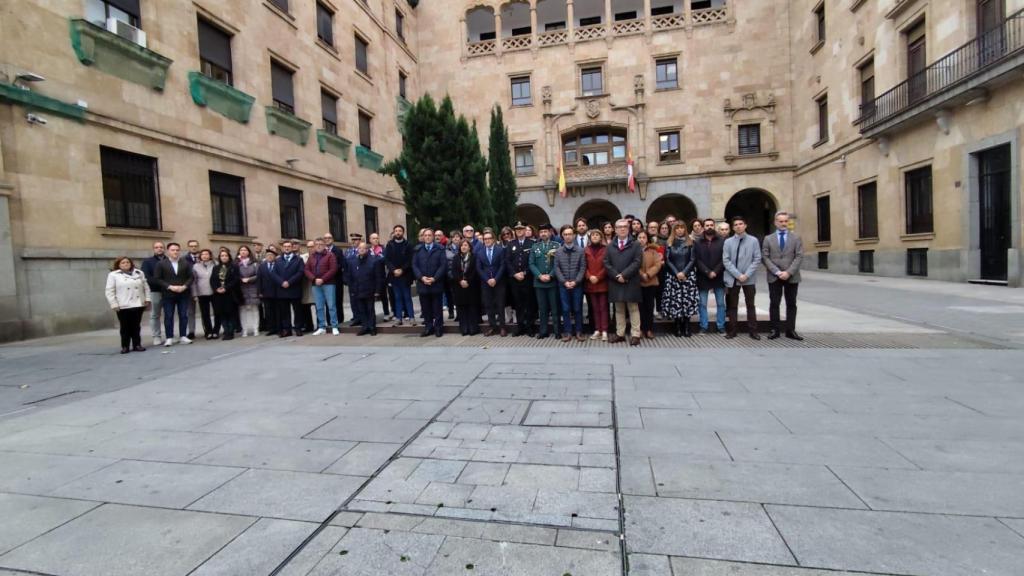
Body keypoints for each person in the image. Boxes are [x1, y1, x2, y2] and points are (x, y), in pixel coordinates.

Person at [763, 211, 804, 340]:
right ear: (775, 222)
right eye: (781, 221)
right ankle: (775, 329)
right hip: (774, 276)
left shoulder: (796, 238)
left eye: (786, 221)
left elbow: (799, 256)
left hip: (791, 276)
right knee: (774, 303)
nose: (783, 223)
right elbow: (765, 257)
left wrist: (788, 272)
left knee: (791, 303)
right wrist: (777, 271)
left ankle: (790, 330)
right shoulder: (768, 238)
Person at [722, 215, 762, 340]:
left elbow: (757, 259)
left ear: (745, 225)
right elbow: (726, 260)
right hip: (733, 278)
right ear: (733, 228)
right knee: (732, 306)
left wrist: (746, 275)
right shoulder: (728, 242)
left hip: (749, 279)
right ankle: (732, 330)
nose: (738, 226)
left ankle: (753, 330)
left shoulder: (753, 241)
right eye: (735, 225)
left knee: (750, 305)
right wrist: (738, 275)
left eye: (740, 224)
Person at [605, 219, 643, 345]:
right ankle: (620, 333)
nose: (622, 229)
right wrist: (617, 276)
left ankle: (635, 334)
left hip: (631, 280)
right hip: (616, 281)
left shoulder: (636, 244)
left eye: (625, 227)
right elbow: (606, 263)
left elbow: (637, 262)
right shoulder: (610, 245)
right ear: (615, 229)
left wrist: (625, 275)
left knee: (633, 308)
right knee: (618, 309)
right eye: (619, 227)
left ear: (628, 229)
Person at [105, 256, 150, 353]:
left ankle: (137, 344)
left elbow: (145, 287)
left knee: (136, 325)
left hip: (138, 303)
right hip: (123, 304)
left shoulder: (139, 273)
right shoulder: (113, 275)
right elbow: (110, 291)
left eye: (127, 262)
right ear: (118, 265)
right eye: (123, 263)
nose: (126, 264)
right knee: (125, 326)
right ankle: (125, 346)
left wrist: (147, 298)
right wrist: (114, 304)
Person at [153, 242, 193, 346]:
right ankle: (169, 337)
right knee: (169, 316)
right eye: (172, 250)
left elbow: (191, 277)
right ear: (168, 251)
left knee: (183, 315)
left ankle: (183, 336)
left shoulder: (185, 263)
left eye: (177, 250)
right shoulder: (161, 264)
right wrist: (170, 287)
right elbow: (157, 278)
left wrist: (184, 286)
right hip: (168, 294)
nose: (175, 252)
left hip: (183, 293)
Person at [663, 222, 699, 337]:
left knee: (687, 301)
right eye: (677, 228)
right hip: (673, 276)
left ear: (685, 229)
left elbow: (693, 259)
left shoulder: (691, 242)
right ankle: (677, 326)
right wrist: (676, 273)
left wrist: (684, 272)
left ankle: (687, 326)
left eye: (682, 228)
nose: (679, 230)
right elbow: (667, 260)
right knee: (676, 302)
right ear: (674, 230)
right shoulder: (669, 243)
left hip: (688, 276)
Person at [554, 225, 587, 342]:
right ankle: (567, 332)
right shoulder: (558, 252)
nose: (568, 236)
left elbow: (583, 267)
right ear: (562, 236)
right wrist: (564, 282)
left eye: (570, 234)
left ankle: (579, 331)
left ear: (573, 235)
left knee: (578, 308)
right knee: (565, 309)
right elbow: (556, 268)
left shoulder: (580, 250)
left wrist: (576, 281)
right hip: (563, 285)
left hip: (577, 285)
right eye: (565, 234)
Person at [695, 218, 726, 334]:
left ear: (714, 226)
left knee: (720, 303)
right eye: (707, 225)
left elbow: (724, 259)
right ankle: (703, 325)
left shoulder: (722, 241)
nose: (709, 227)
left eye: (711, 225)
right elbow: (697, 260)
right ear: (703, 227)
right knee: (702, 304)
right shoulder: (698, 242)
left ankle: (721, 326)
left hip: (718, 276)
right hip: (703, 276)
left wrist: (715, 271)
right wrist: (707, 272)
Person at [413, 229, 446, 337]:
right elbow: (415, 265)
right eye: (425, 235)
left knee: (437, 308)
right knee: (426, 308)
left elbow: (443, 265)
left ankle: (438, 328)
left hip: (436, 283)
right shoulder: (418, 250)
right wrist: (422, 277)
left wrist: (434, 278)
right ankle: (428, 327)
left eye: (429, 235)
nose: (427, 237)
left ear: (433, 237)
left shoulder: (440, 249)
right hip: (423, 284)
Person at [346, 242, 384, 336]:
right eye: (360, 248)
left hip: (369, 290)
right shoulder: (353, 262)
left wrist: (377, 291)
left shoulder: (374, 261)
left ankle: (372, 327)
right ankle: (364, 327)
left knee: (370, 309)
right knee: (361, 310)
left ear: (367, 250)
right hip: (357, 290)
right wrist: (352, 288)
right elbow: (349, 276)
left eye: (363, 248)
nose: (361, 250)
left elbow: (378, 277)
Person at [529, 225, 560, 340]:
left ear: (550, 232)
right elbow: (531, 264)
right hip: (539, 282)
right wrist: (539, 275)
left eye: (545, 231)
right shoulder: (535, 246)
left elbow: (558, 263)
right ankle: (543, 331)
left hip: (552, 282)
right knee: (542, 308)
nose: (543, 234)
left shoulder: (556, 246)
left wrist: (551, 275)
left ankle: (557, 331)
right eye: (541, 231)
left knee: (555, 307)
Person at [305, 237, 340, 335]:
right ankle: (321, 326)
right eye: (317, 244)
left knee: (331, 305)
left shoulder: (330, 255)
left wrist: (323, 279)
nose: (319, 246)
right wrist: (314, 279)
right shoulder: (311, 257)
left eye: (321, 244)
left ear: (324, 245)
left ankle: (334, 326)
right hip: (315, 284)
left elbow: (333, 269)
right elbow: (306, 269)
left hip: (328, 284)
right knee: (319, 306)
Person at [476, 229, 508, 337]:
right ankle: (492, 327)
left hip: (499, 282)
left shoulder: (500, 251)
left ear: (493, 239)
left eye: (489, 238)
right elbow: (479, 268)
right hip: (486, 283)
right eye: (485, 239)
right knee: (488, 305)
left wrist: (495, 279)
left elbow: (503, 266)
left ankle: (502, 327)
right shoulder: (479, 253)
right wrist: (487, 279)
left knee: (500, 305)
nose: (487, 240)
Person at [507, 222, 535, 337]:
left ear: (525, 230)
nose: (519, 231)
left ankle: (529, 327)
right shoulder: (511, 244)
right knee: (518, 304)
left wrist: (524, 272)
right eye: (517, 229)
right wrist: (514, 274)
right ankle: (520, 327)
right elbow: (507, 261)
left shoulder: (532, 243)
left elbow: (533, 261)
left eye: (521, 229)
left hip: (527, 278)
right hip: (515, 280)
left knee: (529, 304)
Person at [384, 225, 416, 326]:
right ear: (394, 232)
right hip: (394, 276)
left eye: (400, 231)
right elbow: (387, 259)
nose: (398, 233)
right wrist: (394, 270)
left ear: (403, 232)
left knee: (407, 297)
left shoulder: (408, 245)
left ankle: (411, 317)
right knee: (397, 297)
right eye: (396, 231)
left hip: (405, 275)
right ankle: (398, 318)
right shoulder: (390, 244)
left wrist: (402, 269)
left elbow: (410, 259)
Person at [274, 240, 306, 337]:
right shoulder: (278, 260)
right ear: (282, 248)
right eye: (285, 246)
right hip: (282, 289)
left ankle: (298, 328)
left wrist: (289, 282)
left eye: (289, 246)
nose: (287, 248)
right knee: (284, 311)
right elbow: (274, 273)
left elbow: (300, 272)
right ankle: (287, 329)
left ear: (292, 248)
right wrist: (282, 282)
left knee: (297, 310)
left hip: (294, 288)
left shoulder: (298, 259)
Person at [449, 239, 480, 335]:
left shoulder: (474, 257)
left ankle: (472, 328)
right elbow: (453, 271)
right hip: (459, 287)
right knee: (461, 308)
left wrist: (467, 281)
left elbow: (475, 271)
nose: (463, 247)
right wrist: (460, 280)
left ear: (469, 247)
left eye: (466, 245)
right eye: (462, 245)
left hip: (471, 286)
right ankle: (464, 328)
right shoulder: (456, 258)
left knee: (471, 308)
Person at [637, 231, 664, 339]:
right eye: (639, 237)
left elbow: (658, 264)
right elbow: (632, 264)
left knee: (649, 307)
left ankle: (649, 329)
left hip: (651, 281)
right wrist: (641, 274)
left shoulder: (653, 250)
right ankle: (641, 329)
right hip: (638, 282)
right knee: (640, 308)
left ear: (647, 239)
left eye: (644, 237)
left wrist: (648, 274)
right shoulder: (634, 250)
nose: (642, 239)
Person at [584, 229, 609, 341]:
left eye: (597, 235)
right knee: (594, 308)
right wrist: (589, 276)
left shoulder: (606, 249)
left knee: (603, 307)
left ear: (601, 237)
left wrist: (598, 277)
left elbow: (607, 265)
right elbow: (583, 266)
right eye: (592, 235)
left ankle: (604, 330)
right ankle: (597, 330)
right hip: (590, 283)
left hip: (602, 282)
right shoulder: (586, 250)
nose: (594, 237)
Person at [209, 248, 240, 340]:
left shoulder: (234, 267)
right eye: (222, 256)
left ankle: (230, 332)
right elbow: (212, 280)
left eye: (226, 255)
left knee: (230, 313)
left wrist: (225, 288)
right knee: (221, 313)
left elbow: (235, 280)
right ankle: (225, 330)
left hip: (230, 293)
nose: (224, 257)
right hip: (218, 295)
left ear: (229, 257)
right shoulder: (216, 268)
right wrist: (216, 289)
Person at [141, 241, 165, 346]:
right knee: (155, 315)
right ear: (153, 249)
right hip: (155, 291)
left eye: (161, 247)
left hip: (170, 292)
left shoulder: (169, 260)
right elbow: (147, 277)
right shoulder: (148, 262)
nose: (159, 249)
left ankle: (170, 335)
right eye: (156, 247)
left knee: (169, 314)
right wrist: (164, 284)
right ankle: (156, 336)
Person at [191, 249, 217, 339]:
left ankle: (216, 330)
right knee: (205, 313)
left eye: (207, 254)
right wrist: (194, 294)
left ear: (210, 255)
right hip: (201, 292)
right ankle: (208, 331)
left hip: (214, 292)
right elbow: (193, 281)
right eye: (203, 254)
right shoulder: (195, 266)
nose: (205, 256)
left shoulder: (215, 265)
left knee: (217, 312)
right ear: (200, 256)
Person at [323, 233, 347, 324]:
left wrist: (331, 271)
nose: (327, 239)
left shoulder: (338, 250)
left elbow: (341, 264)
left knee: (337, 300)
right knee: (328, 302)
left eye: (329, 238)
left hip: (336, 279)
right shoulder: (322, 251)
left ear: (332, 239)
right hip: (325, 281)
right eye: (325, 238)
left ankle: (340, 320)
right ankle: (330, 322)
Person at [236, 245, 259, 337]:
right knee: (242, 310)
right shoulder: (236, 263)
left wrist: (249, 279)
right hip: (241, 289)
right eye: (241, 250)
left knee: (254, 309)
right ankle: (244, 329)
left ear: (249, 252)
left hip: (253, 288)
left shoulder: (254, 263)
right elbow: (233, 274)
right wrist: (240, 279)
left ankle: (255, 328)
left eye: (245, 250)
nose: (243, 252)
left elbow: (258, 274)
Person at [257, 247, 280, 335]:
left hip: (277, 292)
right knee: (268, 312)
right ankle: (271, 328)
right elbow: (259, 279)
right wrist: (259, 292)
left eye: (271, 255)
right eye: (268, 255)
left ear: (274, 256)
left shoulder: (278, 265)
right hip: (266, 293)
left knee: (277, 311)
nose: (269, 257)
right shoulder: (262, 266)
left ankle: (278, 328)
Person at [184, 239, 201, 339]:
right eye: (191, 246)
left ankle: (208, 330)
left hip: (203, 287)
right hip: (190, 288)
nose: (193, 247)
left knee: (205, 310)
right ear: (188, 247)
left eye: (195, 245)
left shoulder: (204, 256)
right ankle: (191, 331)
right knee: (190, 311)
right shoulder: (183, 259)